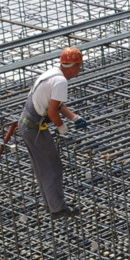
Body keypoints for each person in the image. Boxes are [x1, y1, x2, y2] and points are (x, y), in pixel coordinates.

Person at [18, 47, 88, 218]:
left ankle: (52, 204)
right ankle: (58, 208)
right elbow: (52, 113)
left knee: (42, 168)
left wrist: (74, 117)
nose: (79, 71)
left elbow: (56, 105)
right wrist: (61, 127)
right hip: (35, 128)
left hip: (27, 124)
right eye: (79, 67)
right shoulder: (61, 82)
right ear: (73, 66)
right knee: (53, 168)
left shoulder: (52, 74)